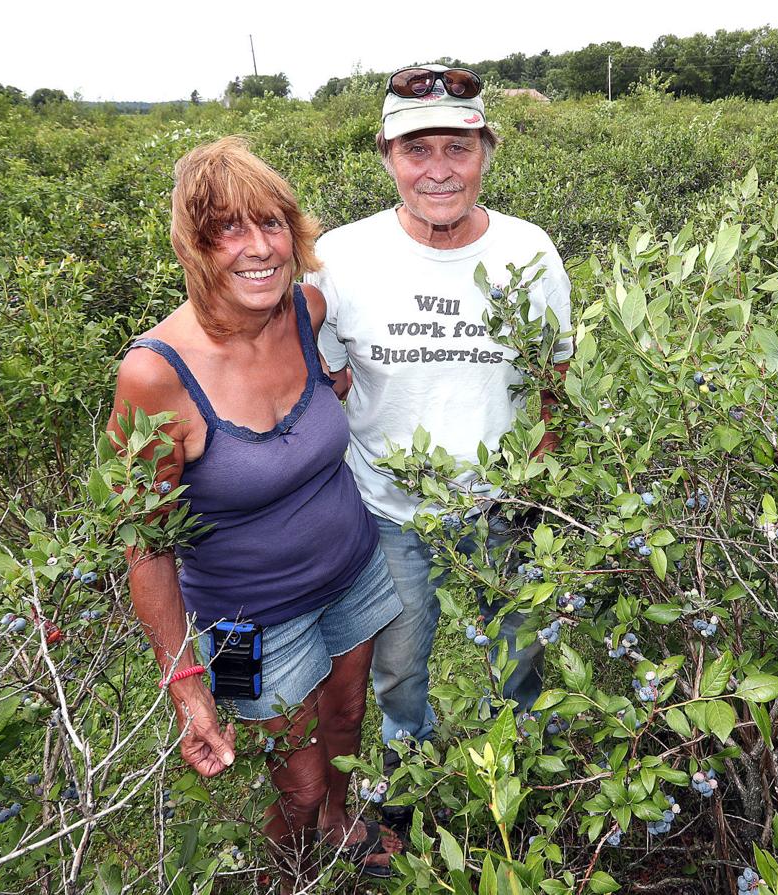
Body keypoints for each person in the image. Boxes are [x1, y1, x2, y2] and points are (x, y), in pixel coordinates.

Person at [110, 137, 402, 883]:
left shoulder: (302, 311)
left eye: (271, 224)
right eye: (229, 229)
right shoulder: (154, 374)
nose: (259, 248)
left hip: (353, 570)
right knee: (296, 783)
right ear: (194, 245)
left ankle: (342, 828)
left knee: (344, 728)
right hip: (244, 623)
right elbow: (145, 545)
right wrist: (187, 688)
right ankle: (283, 873)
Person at [307, 63, 572, 826]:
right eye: (417, 150)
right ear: (387, 157)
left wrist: (537, 478)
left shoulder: (530, 249)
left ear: (487, 149)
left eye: (457, 148)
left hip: (504, 505)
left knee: (520, 658)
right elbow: (327, 380)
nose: (439, 170)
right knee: (398, 671)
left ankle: (522, 786)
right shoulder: (341, 257)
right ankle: (410, 792)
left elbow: (555, 372)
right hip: (388, 510)